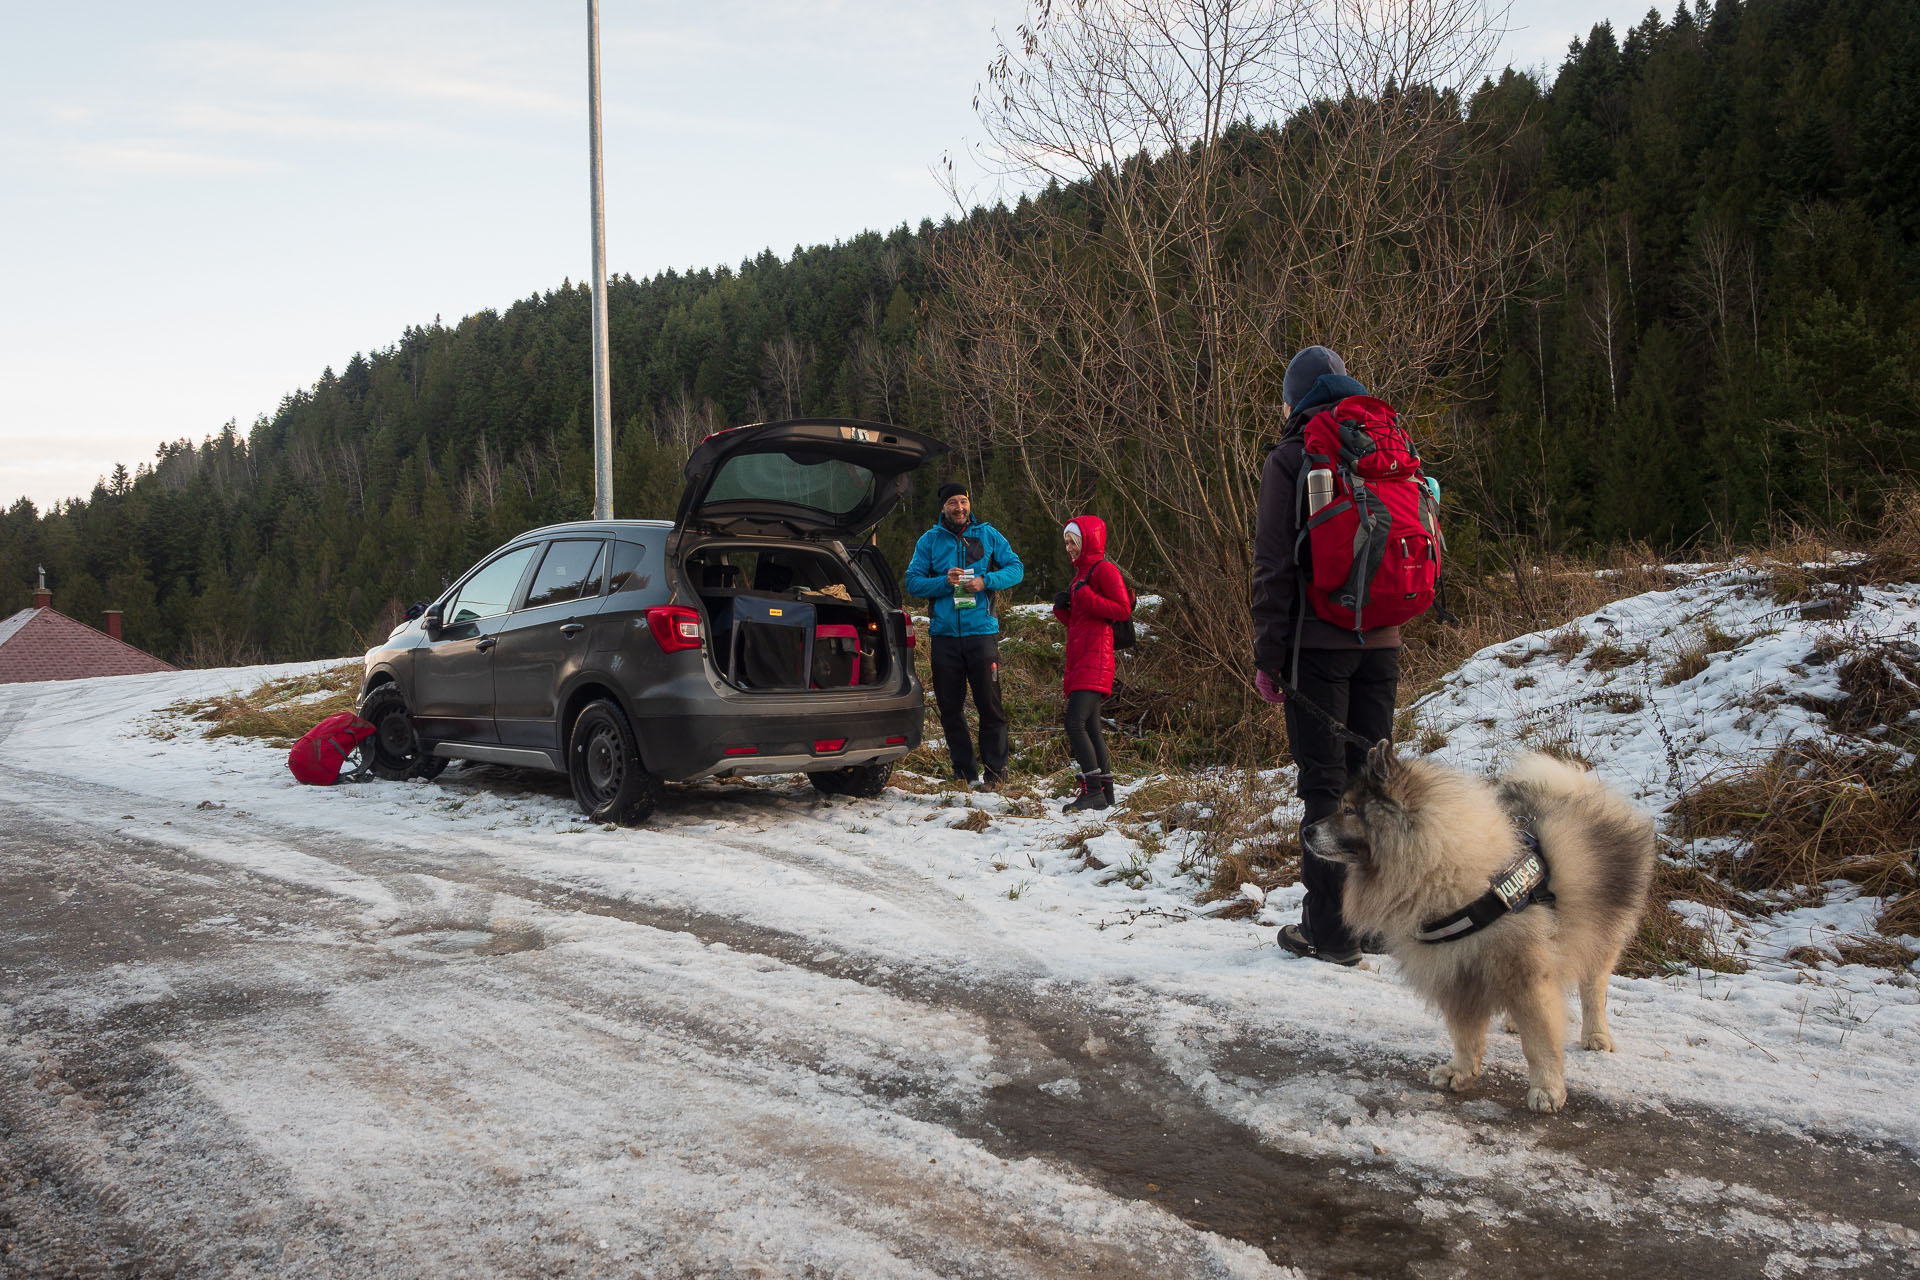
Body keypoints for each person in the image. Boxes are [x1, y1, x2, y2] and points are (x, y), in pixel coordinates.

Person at [1251, 345, 1403, 967]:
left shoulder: (1293, 457)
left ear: (1296, 397)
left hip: (1318, 645)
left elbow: (1273, 567)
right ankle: (1374, 924)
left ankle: (1328, 934)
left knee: (1323, 785)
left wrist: (1269, 654)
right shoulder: (1385, 445)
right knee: (1373, 783)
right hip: (1384, 641)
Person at [904, 482, 1025, 789]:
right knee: (950, 709)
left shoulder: (987, 534)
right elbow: (913, 582)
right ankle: (963, 772)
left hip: (982, 634)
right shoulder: (929, 541)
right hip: (944, 637)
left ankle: (996, 774)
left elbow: (1016, 568)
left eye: (964, 501)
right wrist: (944, 582)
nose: (960, 508)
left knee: (990, 705)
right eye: (953, 503)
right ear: (943, 508)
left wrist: (987, 580)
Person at [1051, 515, 1132, 813]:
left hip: (1096, 657)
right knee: (1091, 727)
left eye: (1073, 542)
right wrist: (1064, 612)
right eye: (1067, 543)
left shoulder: (1104, 570)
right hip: (1082, 657)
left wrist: (1085, 595)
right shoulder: (1081, 574)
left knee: (1074, 723)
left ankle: (1092, 790)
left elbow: (1122, 609)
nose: (1069, 548)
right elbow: (1082, 621)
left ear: (1087, 541)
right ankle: (1106, 793)